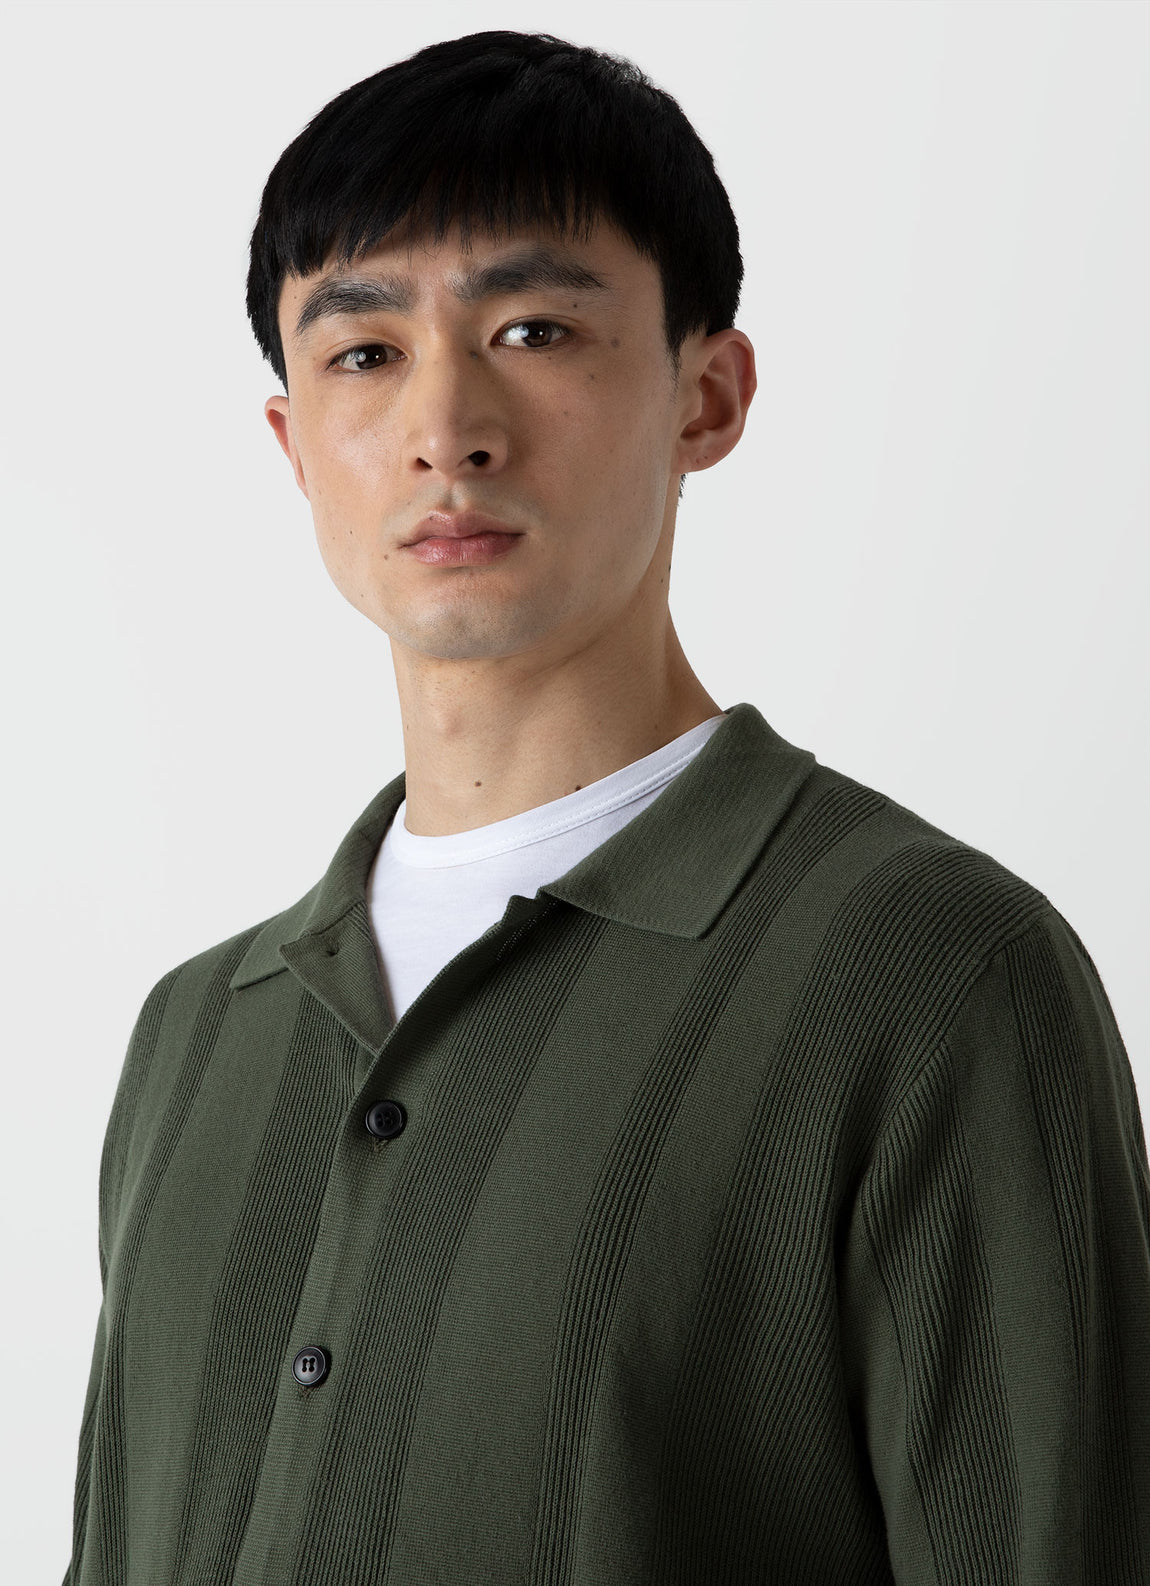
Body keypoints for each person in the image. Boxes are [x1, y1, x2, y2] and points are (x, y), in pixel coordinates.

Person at [63, 29, 1148, 1586]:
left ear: (707, 395)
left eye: (533, 328)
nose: (446, 424)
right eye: (363, 352)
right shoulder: (196, 1035)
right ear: (294, 444)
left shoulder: (930, 974)